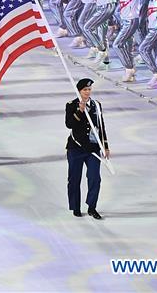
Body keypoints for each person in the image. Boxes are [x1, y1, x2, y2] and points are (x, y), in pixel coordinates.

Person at [65, 78, 110, 220]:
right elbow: (69, 124)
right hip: (76, 148)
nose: (87, 92)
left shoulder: (97, 105)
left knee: (95, 178)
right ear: (79, 91)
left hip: (92, 148)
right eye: (85, 90)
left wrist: (105, 146)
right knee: (74, 179)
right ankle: (76, 207)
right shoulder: (72, 105)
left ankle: (92, 207)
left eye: (89, 89)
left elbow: (100, 126)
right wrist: (80, 111)